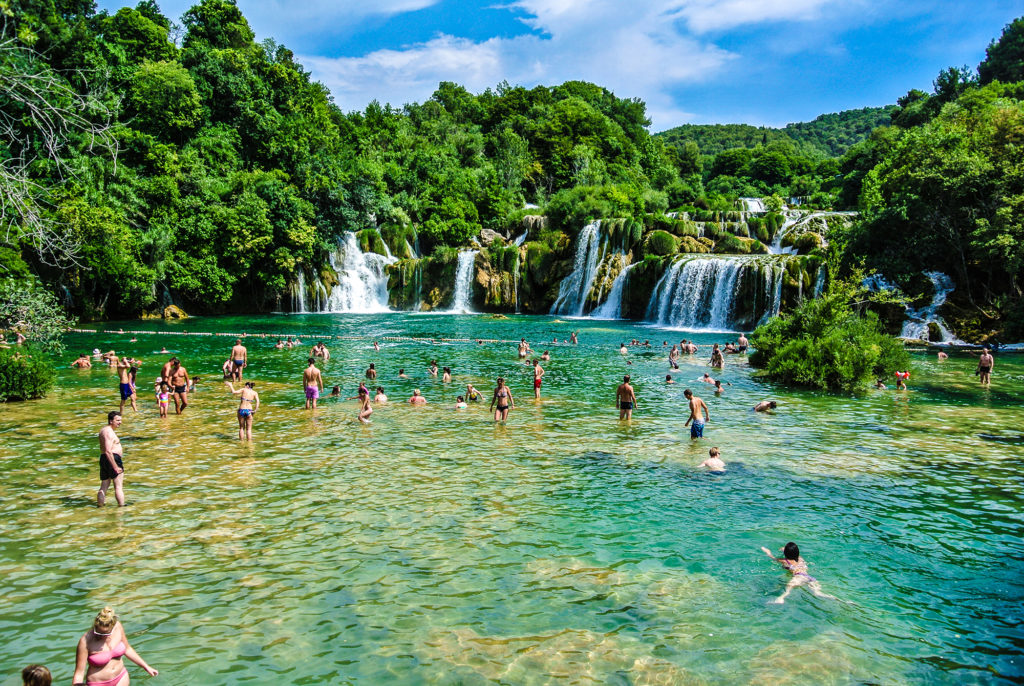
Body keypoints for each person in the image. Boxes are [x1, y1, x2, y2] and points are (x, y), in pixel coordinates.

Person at [73, 606, 158, 686]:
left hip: (121, 678)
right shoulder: (85, 641)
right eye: (99, 632)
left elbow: (127, 649)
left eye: (107, 633)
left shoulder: (118, 627)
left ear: (113, 626)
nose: (102, 636)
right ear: (95, 626)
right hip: (98, 683)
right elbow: (79, 673)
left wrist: (146, 667)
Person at [761, 542, 837, 604]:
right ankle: (831, 597)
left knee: (788, 588)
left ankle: (781, 598)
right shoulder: (800, 558)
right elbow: (793, 553)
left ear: (786, 554)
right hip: (809, 578)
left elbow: (773, 558)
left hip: (799, 577)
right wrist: (784, 549)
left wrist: (768, 552)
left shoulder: (784, 561)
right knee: (817, 593)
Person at [97, 411, 125, 507]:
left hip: (104, 459)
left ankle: (100, 507)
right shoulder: (108, 432)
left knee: (104, 484)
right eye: (117, 420)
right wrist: (115, 467)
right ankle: (122, 507)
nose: (120, 422)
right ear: (110, 421)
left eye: (120, 420)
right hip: (112, 458)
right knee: (118, 486)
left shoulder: (104, 430)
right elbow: (108, 451)